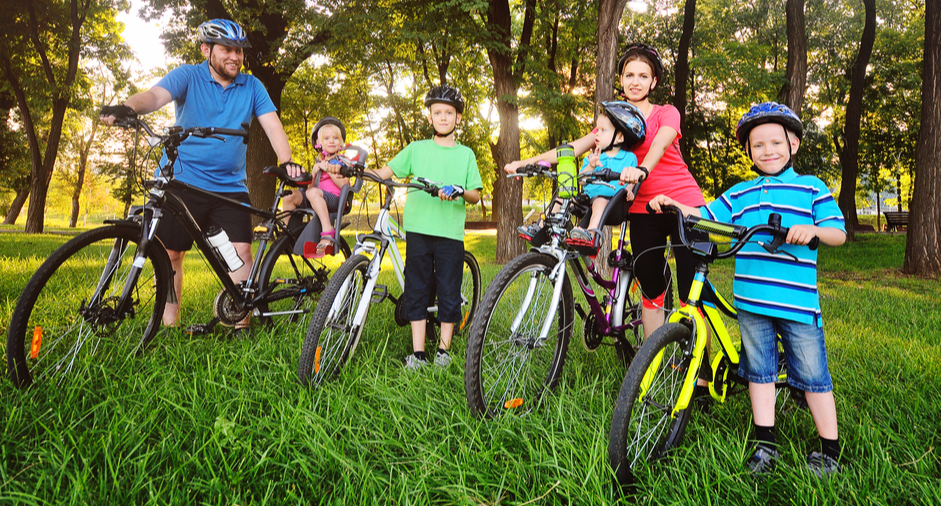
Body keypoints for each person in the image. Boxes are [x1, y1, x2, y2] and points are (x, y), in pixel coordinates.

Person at [649, 102, 846, 477]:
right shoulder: (741, 193)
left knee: (814, 376)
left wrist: (814, 232)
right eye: (758, 145)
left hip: (797, 305)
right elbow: (705, 215)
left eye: (776, 142)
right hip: (752, 302)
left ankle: (829, 448)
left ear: (794, 145)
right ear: (749, 152)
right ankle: (765, 443)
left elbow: (837, 232)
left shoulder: (810, 188)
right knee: (760, 372)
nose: (768, 151)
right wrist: (674, 204)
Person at [100, 19, 300, 337]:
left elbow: (272, 125)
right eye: (227, 50)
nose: (235, 57)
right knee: (170, 255)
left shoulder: (252, 86)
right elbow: (154, 96)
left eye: (239, 51)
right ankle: (169, 328)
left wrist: (288, 162)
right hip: (182, 181)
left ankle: (240, 325)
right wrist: (128, 107)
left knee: (240, 253)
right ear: (207, 50)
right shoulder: (188, 75)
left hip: (229, 186)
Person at [505, 43, 705, 339]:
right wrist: (526, 162)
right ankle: (650, 367)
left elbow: (661, 143)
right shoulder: (613, 120)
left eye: (642, 75)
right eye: (629, 75)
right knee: (651, 288)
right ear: (621, 80)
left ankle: (701, 375)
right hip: (641, 208)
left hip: (682, 202)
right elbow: (572, 148)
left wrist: (642, 170)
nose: (635, 81)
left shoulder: (666, 113)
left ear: (654, 82)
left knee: (693, 292)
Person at [370, 85, 483, 370]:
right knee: (416, 289)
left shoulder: (466, 154)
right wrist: (356, 172)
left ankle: (443, 351)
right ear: (430, 117)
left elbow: (475, 194)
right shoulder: (416, 149)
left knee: (448, 290)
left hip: (449, 234)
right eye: (437, 112)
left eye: (449, 112)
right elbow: (386, 172)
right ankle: (418, 353)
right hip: (418, 231)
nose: (443, 117)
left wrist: (459, 190)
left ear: (458, 118)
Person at [515, 101, 646, 258]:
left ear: (619, 136)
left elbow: (632, 178)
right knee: (562, 198)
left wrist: (629, 191)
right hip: (586, 198)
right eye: (597, 129)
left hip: (611, 202)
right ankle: (540, 227)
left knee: (599, 202)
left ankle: (591, 234)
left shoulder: (629, 158)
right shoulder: (594, 157)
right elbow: (581, 180)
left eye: (603, 130)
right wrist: (591, 166)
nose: (596, 134)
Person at [298, 116, 350, 257]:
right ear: (318, 142)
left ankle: (328, 231)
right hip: (317, 196)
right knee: (290, 195)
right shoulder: (319, 160)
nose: (331, 141)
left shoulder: (342, 160)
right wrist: (315, 170)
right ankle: (292, 233)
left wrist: (330, 169)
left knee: (313, 193)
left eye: (335, 138)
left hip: (335, 199)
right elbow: (309, 188)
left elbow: (344, 185)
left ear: (341, 141)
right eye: (327, 138)